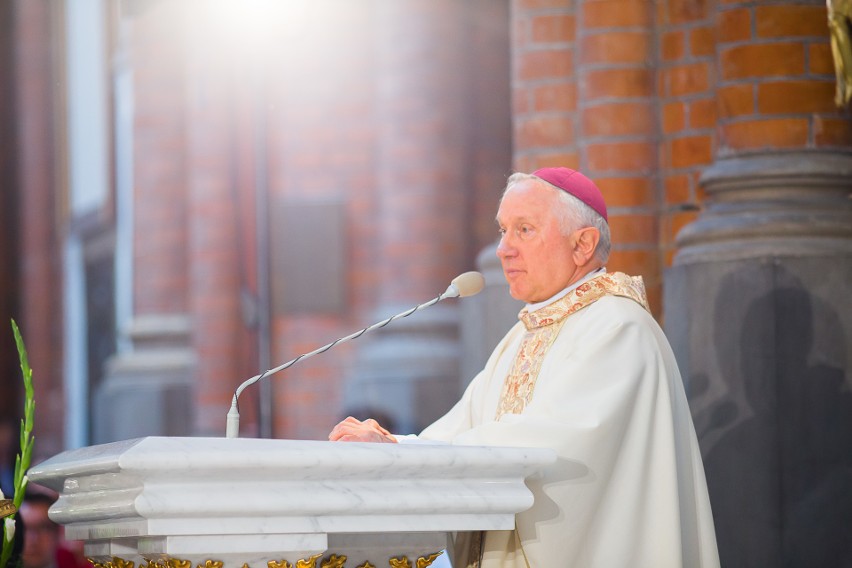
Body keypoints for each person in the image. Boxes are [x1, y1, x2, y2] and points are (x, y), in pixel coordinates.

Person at [330, 167, 720, 567]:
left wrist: (403, 452)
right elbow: (460, 430)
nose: (503, 249)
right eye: (503, 230)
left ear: (582, 244)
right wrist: (398, 450)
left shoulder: (618, 328)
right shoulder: (522, 335)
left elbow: (545, 450)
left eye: (524, 230)